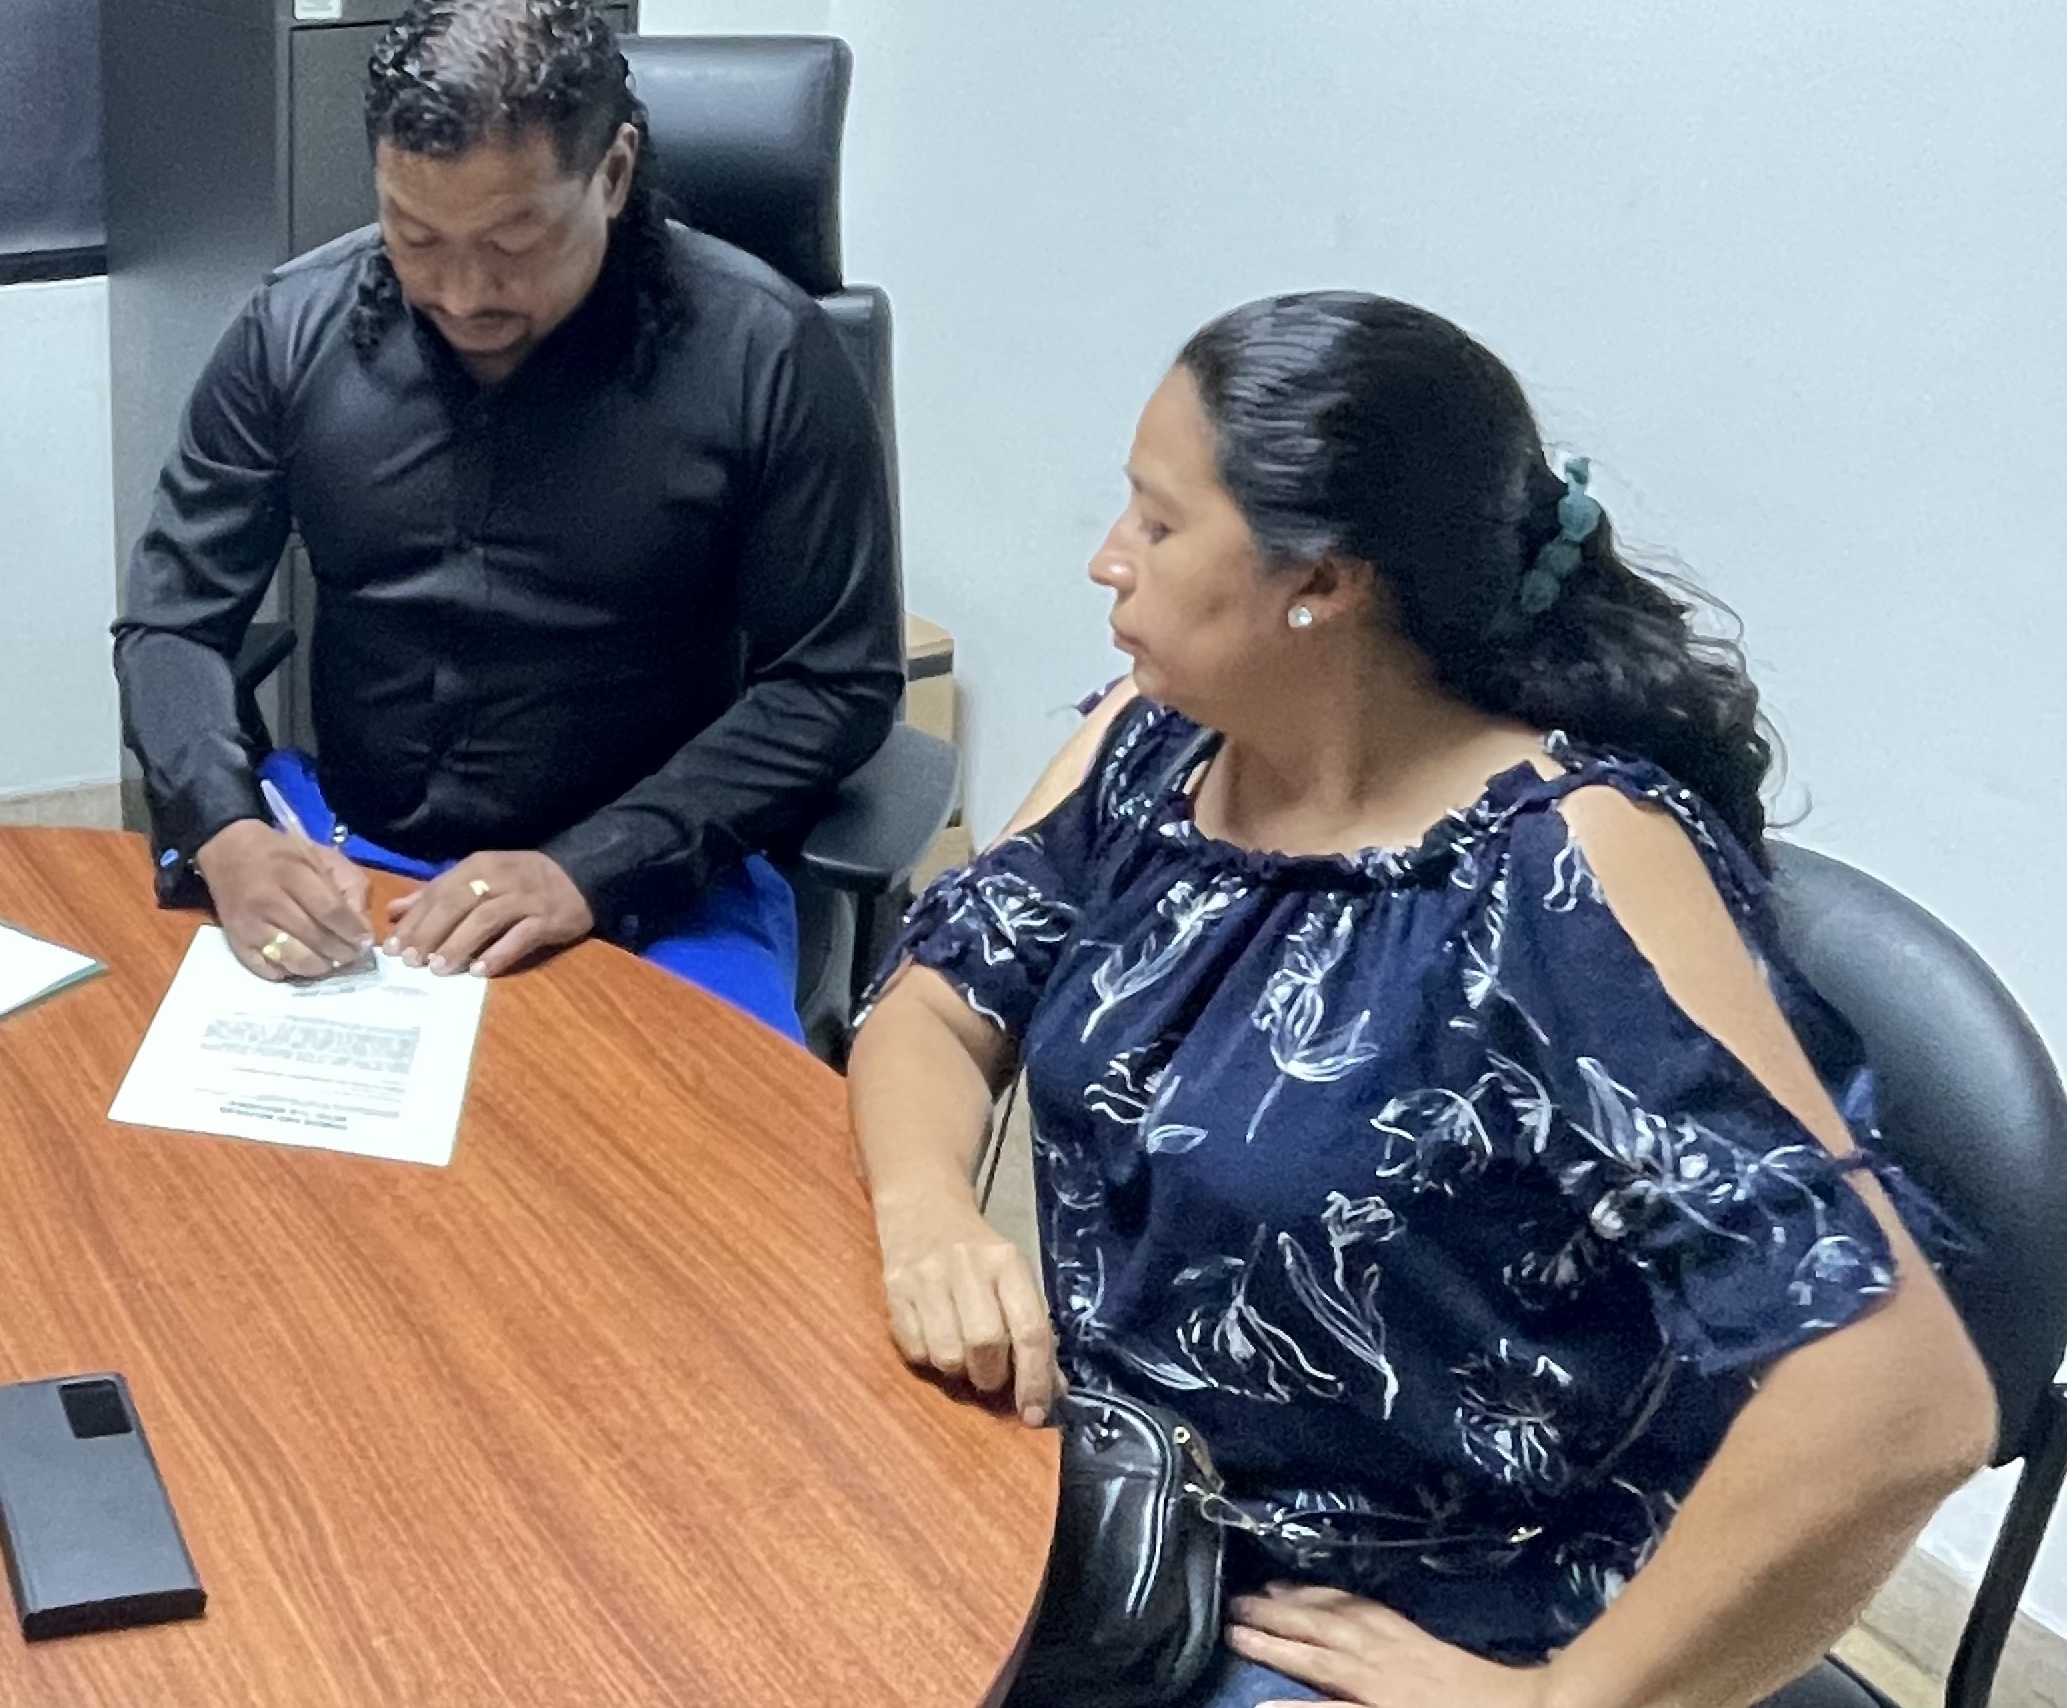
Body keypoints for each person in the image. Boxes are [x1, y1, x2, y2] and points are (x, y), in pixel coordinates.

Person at [850, 292, 1991, 1705]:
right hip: (1117, 1507)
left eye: (1158, 522)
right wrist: (928, 1210)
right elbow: (935, 1000)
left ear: (1322, 582)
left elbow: (1904, 1404)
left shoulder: (1564, 873)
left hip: (1393, 1614)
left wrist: (1553, 1704)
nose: (1106, 559)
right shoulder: (1159, 746)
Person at [113, 0, 902, 1032]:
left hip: (648, 880)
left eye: (513, 244)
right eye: (415, 236)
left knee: (674, 1136)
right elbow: (171, 621)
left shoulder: (765, 353)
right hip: (351, 857)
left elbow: (836, 682)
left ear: (612, 172)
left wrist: (593, 865)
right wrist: (226, 831)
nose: (461, 293)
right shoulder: (293, 329)